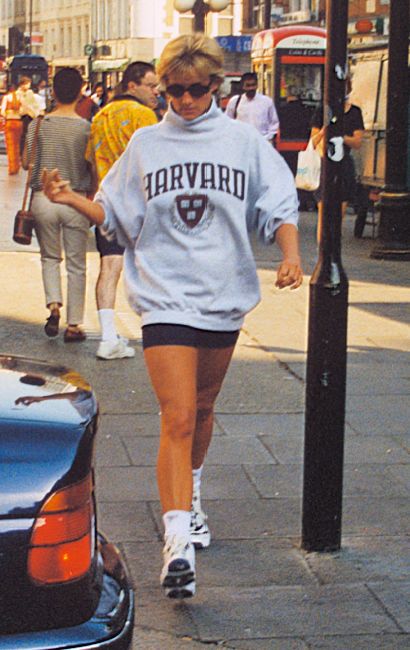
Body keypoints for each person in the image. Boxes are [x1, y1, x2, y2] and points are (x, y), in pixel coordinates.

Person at [41, 33, 303, 599]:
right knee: (177, 415)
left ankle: (194, 494)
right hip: (163, 296)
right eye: (173, 91)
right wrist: (68, 200)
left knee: (203, 410)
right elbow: (115, 213)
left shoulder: (241, 143)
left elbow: (277, 204)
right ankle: (177, 541)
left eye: (194, 90)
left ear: (215, 86)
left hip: (223, 293)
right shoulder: (146, 144)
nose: (182, 101)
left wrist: (289, 256)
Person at [85, 61, 159, 360]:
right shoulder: (145, 115)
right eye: (151, 86)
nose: (157, 92)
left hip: (109, 204)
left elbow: (90, 160)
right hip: (142, 205)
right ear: (132, 86)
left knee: (109, 267)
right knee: (154, 272)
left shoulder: (100, 116)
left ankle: (107, 337)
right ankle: (157, 335)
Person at [23, 67, 94, 343]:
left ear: (52, 92)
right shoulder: (86, 128)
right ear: (80, 92)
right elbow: (92, 165)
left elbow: (28, 162)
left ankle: (54, 305)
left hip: (44, 198)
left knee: (50, 258)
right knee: (77, 264)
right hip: (74, 198)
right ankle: (74, 324)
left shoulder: (38, 125)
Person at [311, 76, 364, 242]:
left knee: (339, 212)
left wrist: (341, 136)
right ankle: (322, 254)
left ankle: (333, 251)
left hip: (343, 163)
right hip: (324, 163)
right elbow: (313, 141)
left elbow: (357, 142)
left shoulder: (354, 112)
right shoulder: (322, 110)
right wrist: (324, 131)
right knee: (323, 212)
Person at [225, 71, 279, 144]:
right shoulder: (235, 102)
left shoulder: (267, 102)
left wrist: (267, 138)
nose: (251, 88)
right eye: (248, 85)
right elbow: (227, 122)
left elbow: (274, 124)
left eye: (253, 85)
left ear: (257, 85)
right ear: (243, 86)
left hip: (262, 143)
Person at [1, 83, 23, 174]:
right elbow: (23, 110)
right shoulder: (20, 98)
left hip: (10, 121)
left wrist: (7, 115)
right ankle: (17, 166)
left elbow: (2, 111)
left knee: (10, 146)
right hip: (18, 121)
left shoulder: (6, 98)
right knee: (17, 145)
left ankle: (12, 168)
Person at [16, 76, 41, 154]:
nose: (28, 86)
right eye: (27, 84)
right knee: (21, 135)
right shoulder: (17, 93)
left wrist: (35, 112)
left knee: (29, 134)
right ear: (22, 85)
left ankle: (27, 151)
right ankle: (20, 151)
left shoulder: (30, 92)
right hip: (20, 115)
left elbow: (34, 104)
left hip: (30, 115)